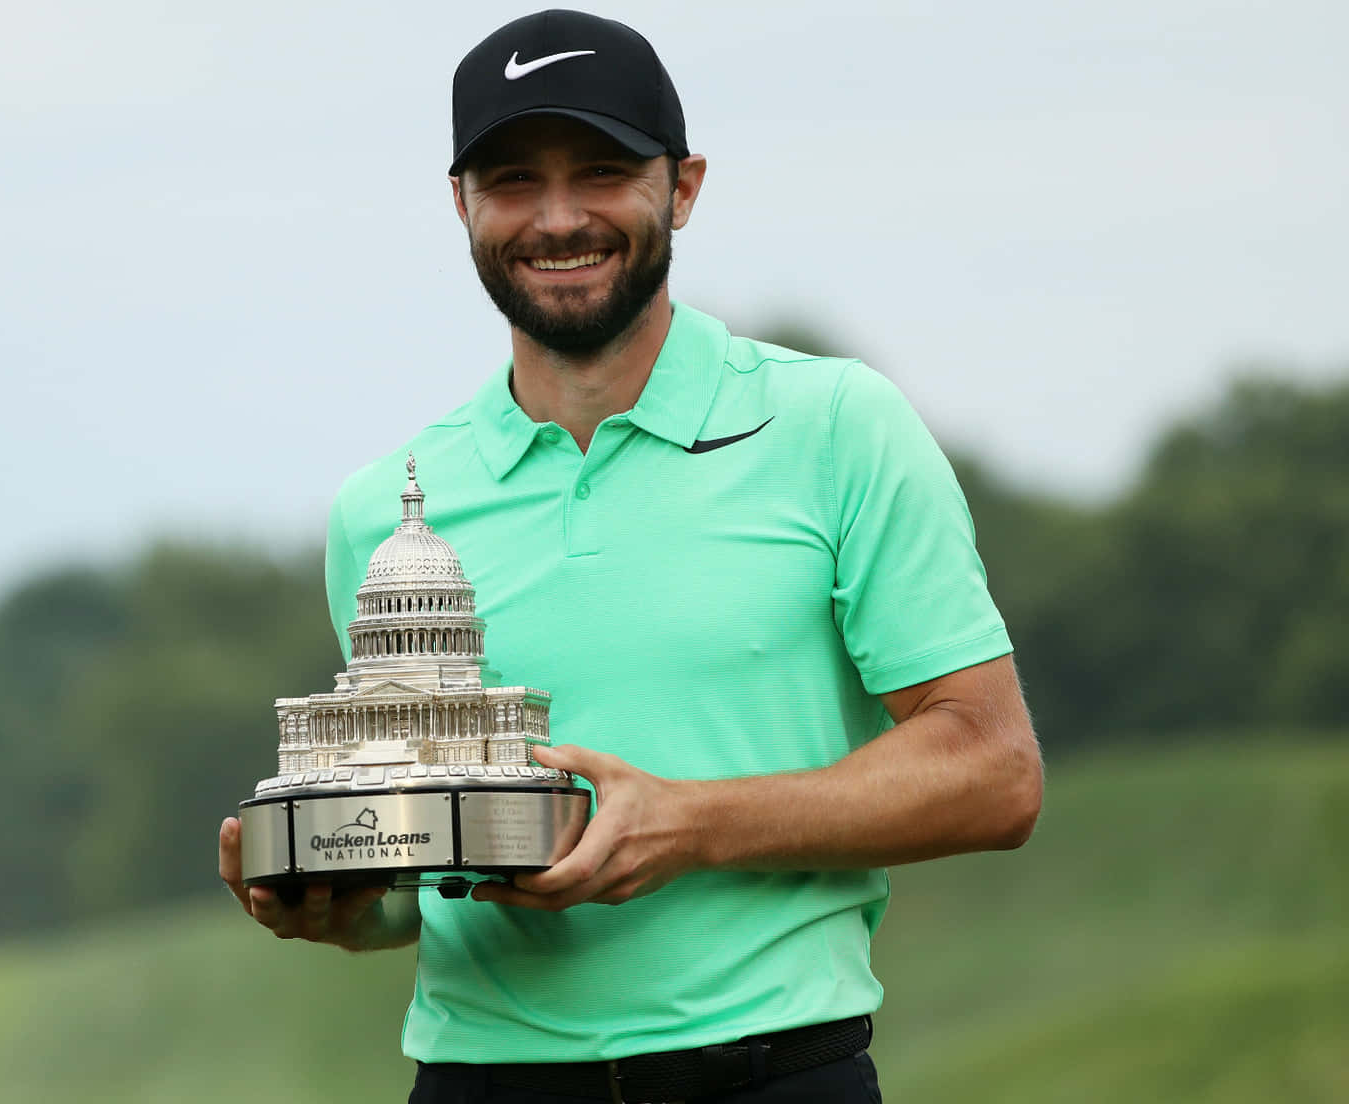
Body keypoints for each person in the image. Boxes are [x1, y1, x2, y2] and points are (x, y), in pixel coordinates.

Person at [219, 9, 1042, 1102]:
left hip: (769, 1076)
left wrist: (690, 825)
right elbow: (425, 893)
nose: (558, 218)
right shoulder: (383, 508)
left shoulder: (838, 426)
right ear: (461, 201)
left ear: (683, 187)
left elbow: (995, 774)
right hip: (476, 1082)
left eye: (603, 172)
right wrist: (340, 898)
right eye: (513, 180)